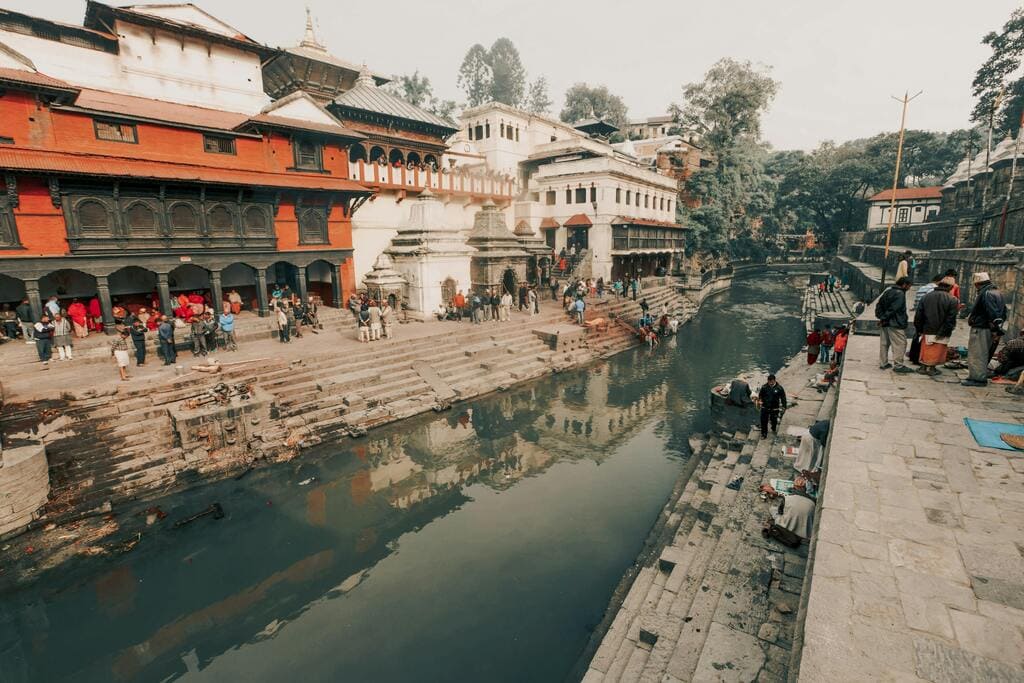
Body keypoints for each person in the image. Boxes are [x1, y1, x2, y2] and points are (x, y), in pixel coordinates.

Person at [963, 272, 1007, 387]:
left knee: (978, 353)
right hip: (987, 327)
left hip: (982, 328)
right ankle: (979, 376)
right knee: (983, 353)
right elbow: (1003, 313)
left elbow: (992, 313)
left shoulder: (986, 293)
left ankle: (978, 379)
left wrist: (995, 329)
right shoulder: (996, 292)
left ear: (977, 284)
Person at [913, 276, 958, 376]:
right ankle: (932, 368)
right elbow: (950, 318)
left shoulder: (927, 296)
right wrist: (944, 331)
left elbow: (919, 315)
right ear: (950, 287)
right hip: (941, 329)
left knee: (926, 348)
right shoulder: (952, 299)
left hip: (927, 329)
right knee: (937, 349)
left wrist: (919, 328)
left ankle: (923, 367)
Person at [875, 276, 914, 373]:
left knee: (884, 344)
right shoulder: (900, 294)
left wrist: (881, 317)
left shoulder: (888, 291)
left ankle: (883, 363)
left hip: (886, 323)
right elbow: (893, 309)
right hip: (895, 323)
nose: (909, 288)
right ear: (904, 285)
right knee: (900, 344)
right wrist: (883, 318)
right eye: (909, 286)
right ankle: (898, 365)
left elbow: (879, 305)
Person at [759, 476, 815, 542]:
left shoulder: (788, 499)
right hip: (808, 532)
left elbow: (777, 510)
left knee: (773, 510)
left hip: (792, 531)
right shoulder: (811, 502)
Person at [756, 374, 787, 439]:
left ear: (774, 380)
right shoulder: (764, 387)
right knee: (763, 421)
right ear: (767, 381)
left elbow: (783, 398)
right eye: (769, 382)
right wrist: (760, 401)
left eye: (772, 381)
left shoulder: (779, 388)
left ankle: (773, 427)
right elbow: (760, 395)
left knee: (774, 420)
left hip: (774, 408)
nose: (770, 383)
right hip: (765, 407)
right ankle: (764, 434)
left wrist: (784, 406)